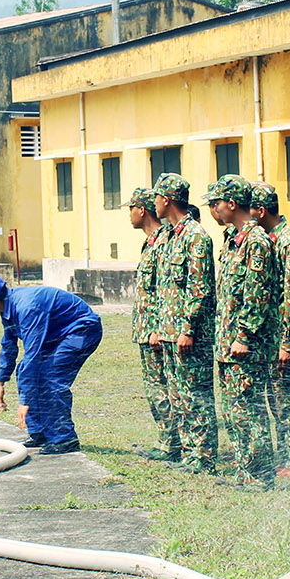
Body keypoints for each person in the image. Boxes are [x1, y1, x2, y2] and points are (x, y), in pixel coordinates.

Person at [0, 273, 102, 455]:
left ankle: (64, 438)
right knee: (25, 371)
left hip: (82, 333)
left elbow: (33, 355)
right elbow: (8, 347)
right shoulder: (8, 309)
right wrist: (0, 382)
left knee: (51, 376)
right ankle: (40, 433)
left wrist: (25, 401)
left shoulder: (27, 307)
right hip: (59, 335)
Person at [206, 175, 278, 487]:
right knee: (235, 410)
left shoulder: (256, 242)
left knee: (250, 408)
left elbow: (257, 294)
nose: (215, 209)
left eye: (217, 203)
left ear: (232, 204)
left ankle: (260, 476)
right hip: (227, 343)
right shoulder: (233, 240)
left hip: (244, 345)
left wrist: (243, 335)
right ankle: (245, 471)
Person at [150, 173, 218, 473]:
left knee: (196, 396)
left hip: (188, 334)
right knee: (178, 396)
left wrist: (188, 328)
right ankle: (189, 452)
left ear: (166, 199)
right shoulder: (167, 236)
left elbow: (199, 288)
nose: (154, 203)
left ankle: (202, 456)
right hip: (168, 332)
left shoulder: (196, 236)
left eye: (156, 198)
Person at [251, 181, 290, 478]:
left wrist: (289, 341)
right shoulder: (268, 239)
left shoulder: (288, 242)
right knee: (278, 402)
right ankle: (286, 458)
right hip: (271, 339)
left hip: (285, 339)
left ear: (261, 211)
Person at [127, 186, 178, 461]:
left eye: (131, 208)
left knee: (164, 387)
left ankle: (172, 443)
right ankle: (165, 440)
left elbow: (164, 288)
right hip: (146, 329)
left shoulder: (163, 242)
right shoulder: (149, 243)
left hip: (157, 330)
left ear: (142, 209)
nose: (129, 215)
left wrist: (159, 326)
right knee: (154, 388)